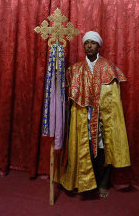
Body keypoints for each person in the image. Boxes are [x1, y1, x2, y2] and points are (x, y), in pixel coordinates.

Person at [56, 31, 131, 198]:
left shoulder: (109, 68)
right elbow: (65, 93)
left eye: (93, 43)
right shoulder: (74, 70)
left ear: (99, 46)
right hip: (82, 119)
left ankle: (103, 183)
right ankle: (83, 182)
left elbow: (113, 100)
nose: (89, 46)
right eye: (86, 43)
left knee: (104, 151)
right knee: (84, 149)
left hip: (103, 120)